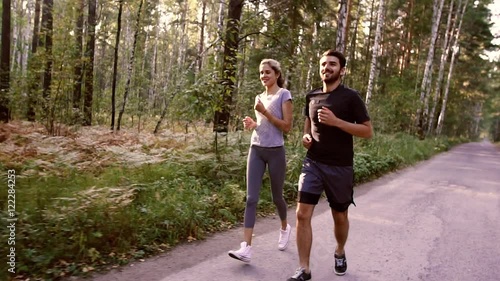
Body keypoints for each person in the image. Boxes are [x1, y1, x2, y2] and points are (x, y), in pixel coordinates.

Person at [287, 50, 373, 281]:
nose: (327, 67)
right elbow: (308, 125)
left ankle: (340, 251)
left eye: (332, 64)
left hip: (340, 167)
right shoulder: (312, 96)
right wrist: (305, 138)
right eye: (323, 64)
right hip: (313, 162)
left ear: (342, 70)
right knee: (302, 214)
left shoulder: (350, 98)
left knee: (340, 216)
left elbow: (367, 131)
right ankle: (304, 268)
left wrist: (337, 122)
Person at [228, 58, 293, 263]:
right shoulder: (259, 96)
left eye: (267, 72)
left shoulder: (284, 95)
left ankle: (284, 227)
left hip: (275, 151)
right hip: (256, 148)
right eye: (261, 72)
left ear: (276, 74)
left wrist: (264, 111)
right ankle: (246, 247)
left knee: (277, 197)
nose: (263, 75)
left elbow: (286, 126)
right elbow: (263, 124)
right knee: (251, 198)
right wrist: (253, 123)